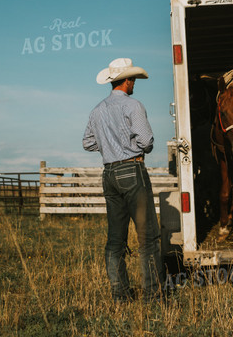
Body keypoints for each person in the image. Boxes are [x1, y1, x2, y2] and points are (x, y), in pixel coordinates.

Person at [83, 57, 166, 302]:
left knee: (115, 239)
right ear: (127, 80)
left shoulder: (97, 110)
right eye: (133, 80)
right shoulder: (133, 106)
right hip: (132, 170)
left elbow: (87, 142)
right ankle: (153, 295)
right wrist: (128, 146)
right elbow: (147, 142)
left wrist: (109, 145)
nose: (134, 84)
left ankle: (120, 294)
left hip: (108, 174)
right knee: (147, 237)